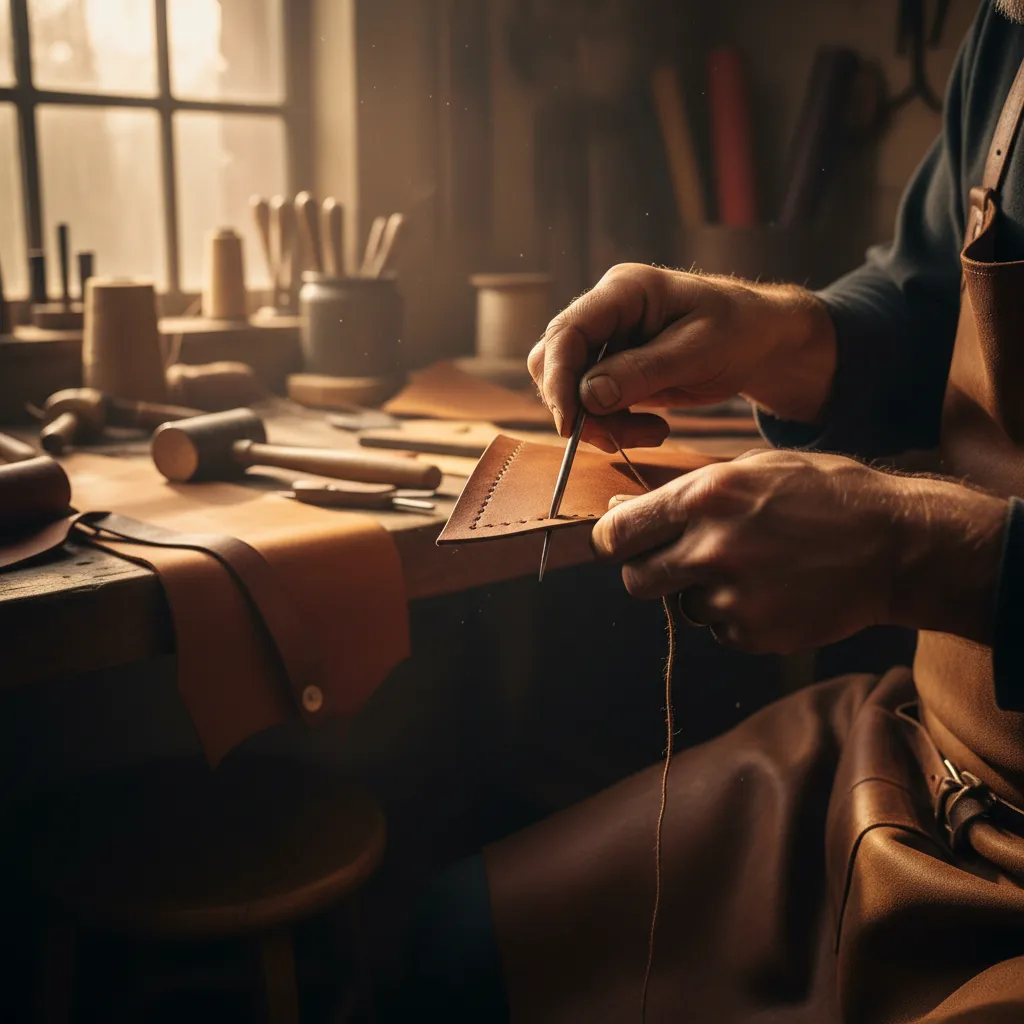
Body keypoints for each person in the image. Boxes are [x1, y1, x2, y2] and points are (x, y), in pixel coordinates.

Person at [400, 2, 1024, 1020]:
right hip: (922, 768)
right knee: (465, 944)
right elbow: (923, 299)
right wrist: (773, 334)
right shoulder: (1008, 32)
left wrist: (915, 552)